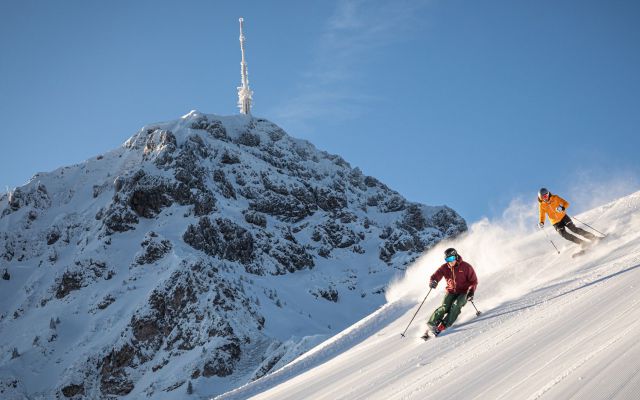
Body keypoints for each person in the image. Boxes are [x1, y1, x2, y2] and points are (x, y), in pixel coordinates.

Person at [424, 248, 478, 337]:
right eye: (447, 260)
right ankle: (432, 323)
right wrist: (433, 281)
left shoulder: (466, 267)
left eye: (451, 259)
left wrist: (471, 292)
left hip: (464, 292)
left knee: (456, 305)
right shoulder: (445, 268)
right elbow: (435, 276)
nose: (450, 262)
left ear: (456, 256)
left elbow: (474, 281)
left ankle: (444, 325)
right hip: (451, 291)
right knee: (445, 307)